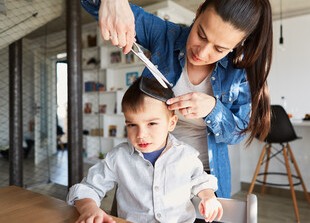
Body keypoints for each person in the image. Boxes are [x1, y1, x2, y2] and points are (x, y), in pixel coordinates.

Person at [78, 0, 273, 198]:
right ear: (198, 12)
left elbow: (238, 133)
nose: (202, 52)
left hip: (204, 179)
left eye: (220, 49)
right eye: (201, 34)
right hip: (147, 170)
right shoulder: (165, 36)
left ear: (237, 44)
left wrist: (213, 109)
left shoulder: (239, 74)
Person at [67, 77, 223, 223]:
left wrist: (208, 196)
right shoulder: (118, 157)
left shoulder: (187, 155)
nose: (141, 135)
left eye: (152, 124)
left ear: (171, 123)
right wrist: (90, 209)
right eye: (132, 125)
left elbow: (202, 181)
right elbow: (87, 188)